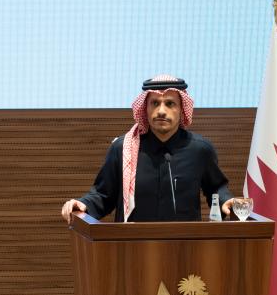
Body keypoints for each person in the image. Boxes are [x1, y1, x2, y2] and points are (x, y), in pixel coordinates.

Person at [60, 75, 234, 223]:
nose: (161, 111)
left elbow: (216, 189)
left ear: (182, 109)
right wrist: (84, 204)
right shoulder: (122, 149)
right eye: (155, 103)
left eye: (170, 104)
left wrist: (225, 200)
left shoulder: (199, 150)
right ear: (145, 108)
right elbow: (103, 194)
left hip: (184, 247)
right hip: (131, 246)